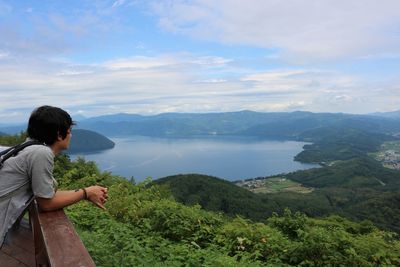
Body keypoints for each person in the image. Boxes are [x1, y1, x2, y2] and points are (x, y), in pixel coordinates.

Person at [0, 105, 108, 247]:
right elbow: (46, 204)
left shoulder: (26, 148)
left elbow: (46, 196)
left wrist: (87, 192)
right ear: (59, 134)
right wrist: (85, 193)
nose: (71, 135)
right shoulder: (41, 153)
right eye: (69, 131)